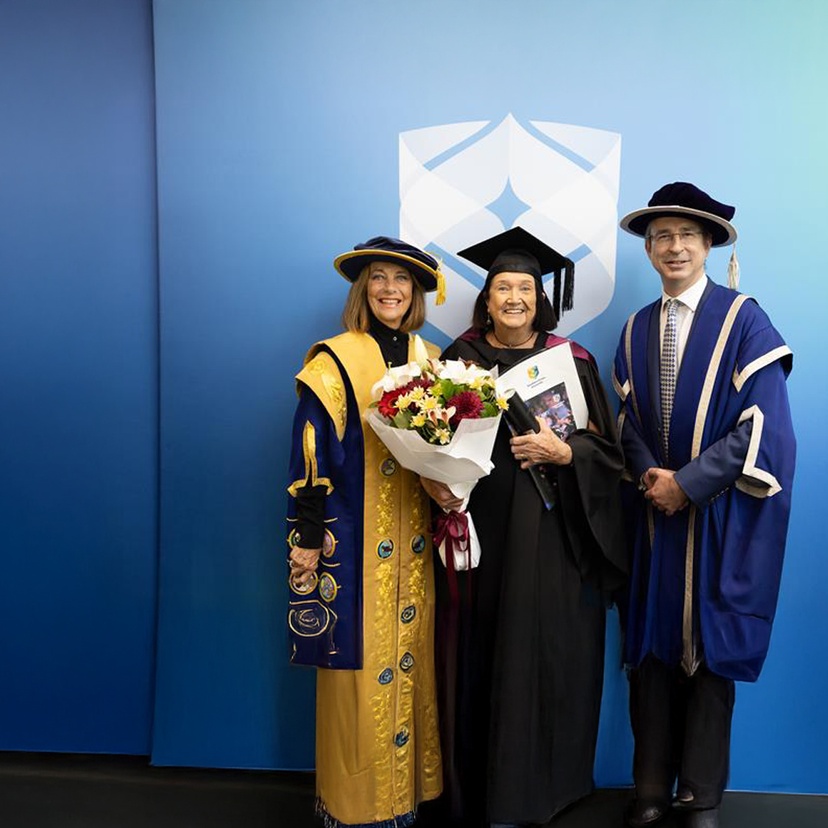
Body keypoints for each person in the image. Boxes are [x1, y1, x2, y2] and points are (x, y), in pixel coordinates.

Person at [421, 226, 627, 828]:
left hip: (553, 536)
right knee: (481, 648)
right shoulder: (459, 361)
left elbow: (607, 453)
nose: (514, 298)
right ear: (486, 299)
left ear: (541, 299)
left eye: (526, 289)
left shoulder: (573, 361)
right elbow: (430, 444)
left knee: (548, 649)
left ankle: (549, 788)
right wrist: (435, 483)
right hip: (481, 535)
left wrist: (566, 453)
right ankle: (478, 788)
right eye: (503, 288)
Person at [613, 183, 795, 828]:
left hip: (716, 515)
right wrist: (650, 476)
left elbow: (763, 427)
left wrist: (688, 483)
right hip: (653, 516)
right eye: (661, 236)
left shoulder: (744, 319)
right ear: (648, 249)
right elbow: (626, 421)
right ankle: (649, 787)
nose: (674, 246)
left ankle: (701, 794)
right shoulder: (636, 327)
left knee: (708, 650)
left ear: (710, 244)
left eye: (687, 235)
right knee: (651, 650)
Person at [286, 236, 446, 828]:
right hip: (352, 545)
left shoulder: (432, 361)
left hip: (415, 542)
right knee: (354, 673)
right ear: (362, 288)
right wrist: (308, 538)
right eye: (378, 277)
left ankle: (404, 801)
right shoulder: (334, 360)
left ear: (416, 293)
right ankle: (356, 808)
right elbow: (310, 452)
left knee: (412, 660)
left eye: (402, 280)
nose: (390, 289)